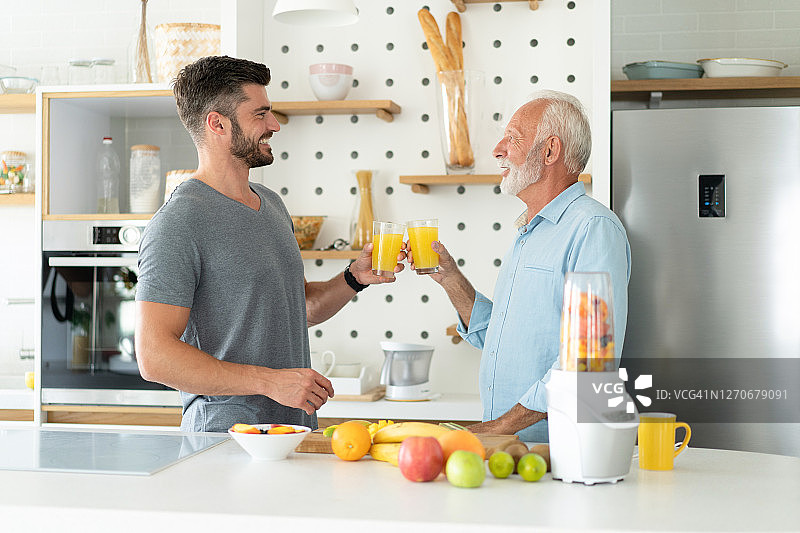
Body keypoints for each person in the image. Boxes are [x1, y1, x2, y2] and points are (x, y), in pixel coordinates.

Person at [134, 56, 403, 433]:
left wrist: (353, 278)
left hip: (293, 431)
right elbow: (154, 356)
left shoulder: (271, 204)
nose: (274, 125)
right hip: (226, 441)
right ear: (218, 124)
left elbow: (301, 307)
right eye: (260, 114)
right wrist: (269, 382)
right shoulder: (178, 223)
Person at [408, 90, 631, 443]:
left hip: (557, 451)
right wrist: (449, 278)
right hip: (509, 448)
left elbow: (588, 361)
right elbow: (498, 338)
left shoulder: (592, 229)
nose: (498, 149)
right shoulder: (529, 231)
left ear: (550, 151)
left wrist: (496, 429)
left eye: (512, 138)